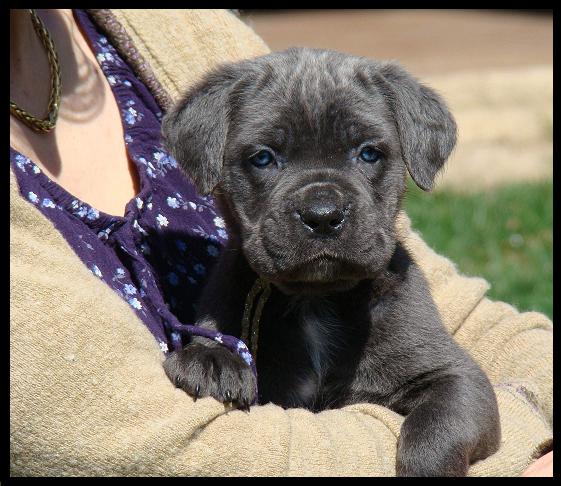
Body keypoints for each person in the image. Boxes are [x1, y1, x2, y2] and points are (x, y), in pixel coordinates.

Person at [10, 9, 552, 477]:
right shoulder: (225, 314)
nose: (322, 206)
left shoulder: (171, 25)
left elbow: (460, 378)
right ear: (207, 162)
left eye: (367, 155)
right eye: (264, 159)